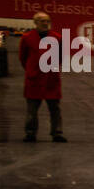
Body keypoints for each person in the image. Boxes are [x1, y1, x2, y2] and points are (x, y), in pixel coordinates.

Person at [19, 11, 66, 142]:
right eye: (42, 21)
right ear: (35, 22)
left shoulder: (57, 38)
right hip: (34, 78)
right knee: (32, 109)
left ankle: (57, 132)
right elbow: (23, 57)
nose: (45, 23)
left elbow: (61, 56)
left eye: (47, 21)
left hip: (51, 78)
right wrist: (31, 70)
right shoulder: (27, 38)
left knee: (55, 108)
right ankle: (30, 133)